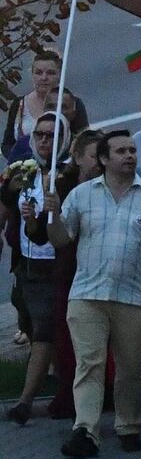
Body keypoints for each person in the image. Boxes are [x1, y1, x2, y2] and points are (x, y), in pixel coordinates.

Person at [47, 130, 141, 458]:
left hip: (134, 297)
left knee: (131, 368)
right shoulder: (82, 195)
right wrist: (51, 213)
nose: (130, 156)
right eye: (121, 151)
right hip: (87, 295)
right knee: (90, 364)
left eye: (133, 150)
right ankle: (86, 431)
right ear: (104, 159)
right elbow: (60, 240)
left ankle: (128, 425)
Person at [3, 112, 62, 426]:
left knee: (45, 330)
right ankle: (63, 391)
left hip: (59, 264)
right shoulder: (23, 172)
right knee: (39, 327)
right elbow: (5, 204)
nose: (43, 140)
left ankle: (25, 401)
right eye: (39, 134)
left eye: (51, 135)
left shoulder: (66, 173)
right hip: (29, 265)